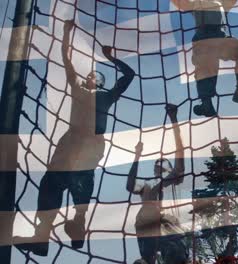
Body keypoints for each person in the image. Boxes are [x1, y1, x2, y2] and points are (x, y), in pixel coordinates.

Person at [13, 19, 135, 256]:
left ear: (96, 82)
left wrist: (71, 35)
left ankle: (50, 234)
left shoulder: (95, 94)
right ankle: (68, 227)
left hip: (79, 142)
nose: (92, 76)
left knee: (56, 184)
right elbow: (68, 62)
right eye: (91, 74)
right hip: (85, 145)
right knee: (71, 182)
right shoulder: (94, 94)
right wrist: (68, 35)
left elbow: (68, 60)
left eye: (94, 75)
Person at [171, 0, 238, 117]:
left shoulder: (222, 3)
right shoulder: (195, 3)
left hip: (221, 39)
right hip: (204, 39)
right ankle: (206, 103)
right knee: (205, 69)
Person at [128, 104, 188, 264]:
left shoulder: (174, 178)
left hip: (170, 228)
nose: (159, 164)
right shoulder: (147, 185)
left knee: (177, 257)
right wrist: (136, 156)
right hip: (147, 225)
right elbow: (129, 185)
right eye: (157, 164)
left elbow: (180, 150)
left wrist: (173, 119)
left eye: (163, 162)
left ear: (170, 168)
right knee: (144, 262)